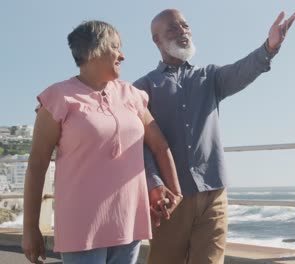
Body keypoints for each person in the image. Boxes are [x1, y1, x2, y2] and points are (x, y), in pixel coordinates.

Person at [133, 9, 295, 264]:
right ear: (157, 40)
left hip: (213, 193)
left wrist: (269, 47)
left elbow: (241, 71)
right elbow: (138, 145)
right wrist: (155, 183)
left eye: (185, 26)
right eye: (173, 28)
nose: (183, 32)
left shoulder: (209, 76)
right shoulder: (142, 88)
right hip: (170, 200)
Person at [21, 20, 182, 264]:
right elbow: (37, 164)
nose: (123, 56)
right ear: (96, 49)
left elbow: (159, 145)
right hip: (82, 227)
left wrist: (175, 190)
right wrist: (30, 228)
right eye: (116, 47)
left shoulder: (132, 95)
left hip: (128, 223)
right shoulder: (58, 97)